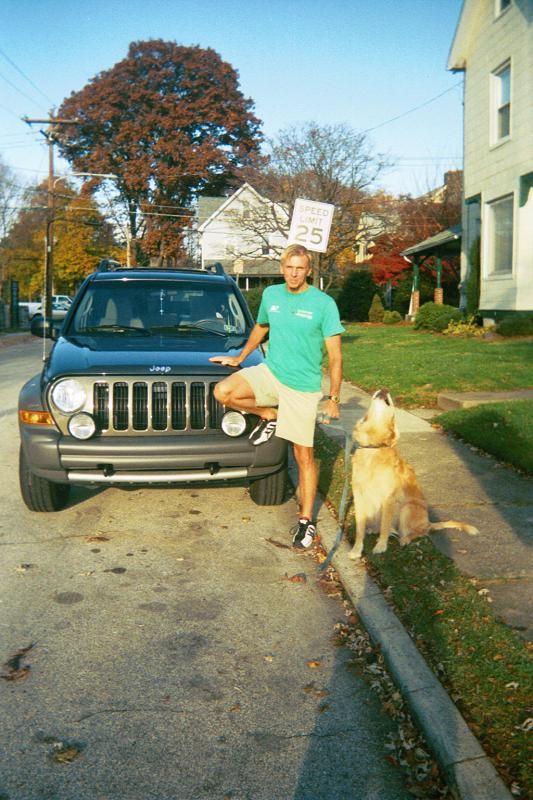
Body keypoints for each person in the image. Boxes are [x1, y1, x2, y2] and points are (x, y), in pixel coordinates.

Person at [209, 243, 344, 549]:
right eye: (289, 267)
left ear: (308, 270)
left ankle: (306, 521)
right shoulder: (272, 295)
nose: (294, 273)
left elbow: (335, 357)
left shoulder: (324, 304)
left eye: (300, 268)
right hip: (272, 373)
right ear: (282, 268)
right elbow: (261, 327)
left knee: (302, 455)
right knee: (224, 391)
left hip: (303, 387)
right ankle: (270, 416)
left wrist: (333, 398)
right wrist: (240, 357)